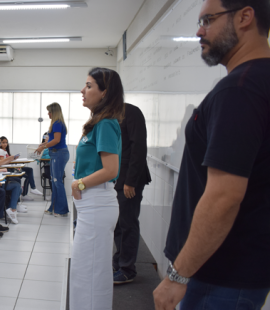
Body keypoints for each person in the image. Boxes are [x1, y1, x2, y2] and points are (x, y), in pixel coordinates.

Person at [154, 1, 270, 309]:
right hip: (239, 272)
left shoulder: (239, 91)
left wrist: (178, 276)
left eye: (208, 20)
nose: (198, 31)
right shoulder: (258, 82)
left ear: (245, 17)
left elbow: (224, 197)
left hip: (220, 277)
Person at [69, 67, 123, 310]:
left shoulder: (106, 124)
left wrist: (79, 182)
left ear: (104, 93)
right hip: (92, 204)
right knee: (86, 271)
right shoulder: (98, 123)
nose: (83, 90)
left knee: (90, 272)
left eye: (89, 86)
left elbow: (111, 170)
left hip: (98, 204)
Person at [112, 103, 152, 284]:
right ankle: (119, 262)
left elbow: (139, 148)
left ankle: (127, 269)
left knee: (128, 223)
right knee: (119, 224)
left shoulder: (131, 112)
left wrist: (130, 181)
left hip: (130, 179)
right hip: (118, 178)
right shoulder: (110, 113)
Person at [35, 102, 69, 217]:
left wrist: (43, 147)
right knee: (54, 182)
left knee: (57, 182)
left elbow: (57, 140)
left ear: (54, 112)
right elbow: (51, 139)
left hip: (59, 154)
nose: (48, 114)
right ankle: (53, 207)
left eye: (49, 111)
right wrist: (44, 143)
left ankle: (62, 210)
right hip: (55, 154)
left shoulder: (58, 123)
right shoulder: (55, 123)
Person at [0, 137, 43, 201]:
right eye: (3, 142)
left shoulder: (5, 151)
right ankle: (26, 193)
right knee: (28, 175)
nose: (5, 144)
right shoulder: (0, 151)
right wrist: (12, 159)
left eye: (6, 142)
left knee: (29, 170)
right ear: (0, 143)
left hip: (13, 167)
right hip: (11, 169)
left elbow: (8, 160)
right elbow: (3, 162)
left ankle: (32, 189)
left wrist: (14, 158)